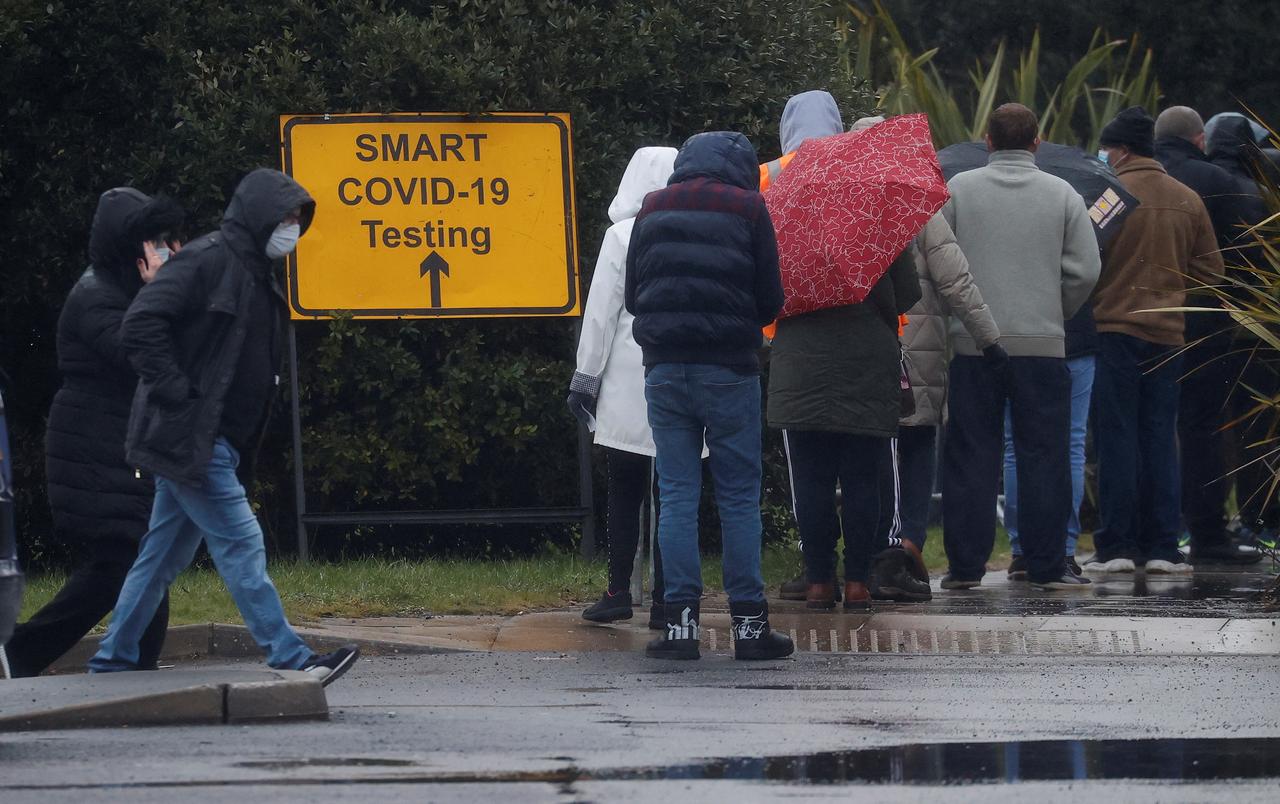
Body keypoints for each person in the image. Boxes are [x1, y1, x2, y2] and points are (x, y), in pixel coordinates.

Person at [89, 169, 358, 684]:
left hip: (206, 440)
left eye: (297, 218)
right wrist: (177, 393)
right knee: (241, 543)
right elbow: (141, 322)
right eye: (285, 216)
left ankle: (111, 660)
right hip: (193, 438)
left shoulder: (254, 273)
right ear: (259, 215)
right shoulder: (208, 259)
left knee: (160, 558)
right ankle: (293, 658)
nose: (292, 227)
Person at [625, 131, 792, 661]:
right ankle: (750, 630)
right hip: (729, 370)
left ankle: (680, 630)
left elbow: (633, 296)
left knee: (677, 494)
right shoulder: (748, 208)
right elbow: (770, 300)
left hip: (665, 369)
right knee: (738, 497)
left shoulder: (652, 207)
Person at [3, 188, 181, 678]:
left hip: (114, 448)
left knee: (137, 561)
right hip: (93, 452)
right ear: (127, 243)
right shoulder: (96, 296)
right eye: (150, 240)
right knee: (122, 565)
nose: (158, 250)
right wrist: (162, 291)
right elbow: (139, 354)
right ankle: (19, 656)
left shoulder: (121, 289)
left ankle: (137, 666)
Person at [765, 96, 926, 612]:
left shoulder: (776, 201)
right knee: (863, 477)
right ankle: (857, 582)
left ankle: (817, 581)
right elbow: (908, 294)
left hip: (798, 365)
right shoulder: (871, 200)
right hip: (867, 361)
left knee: (810, 479)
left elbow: (763, 291)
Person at [941, 102, 1100, 591]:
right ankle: (1046, 563)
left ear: (987, 141)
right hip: (1043, 345)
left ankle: (965, 566)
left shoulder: (957, 191)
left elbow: (940, 264)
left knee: (972, 455)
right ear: (1037, 142)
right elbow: (1086, 270)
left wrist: (960, 319)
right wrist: (1054, 311)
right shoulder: (1063, 194)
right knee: (1045, 455)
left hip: (973, 345)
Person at [1087, 106, 1224, 575]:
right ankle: (1164, 545)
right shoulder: (1187, 199)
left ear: (1123, 150)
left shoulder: (1110, 198)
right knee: (1161, 436)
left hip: (1114, 330)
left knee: (1117, 437)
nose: (1105, 156)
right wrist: (1174, 293)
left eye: (1108, 149)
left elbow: (1085, 258)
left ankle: (1117, 546)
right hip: (1168, 334)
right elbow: (1212, 272)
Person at [873, 118, 1003, 594]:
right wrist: (989, 340)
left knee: (872, 457)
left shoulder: (842, 210)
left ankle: (871, 550)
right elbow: (956, 281)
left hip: (865, 357)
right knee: (917, 449)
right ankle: (907, 543)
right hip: (920, 359)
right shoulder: (919, 208)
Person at [569, 147, 678, 629]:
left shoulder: (621, 235)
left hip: (626, 378)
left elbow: (601, 312)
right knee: (674, 492)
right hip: (676, 371)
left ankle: (617, 590)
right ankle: (668, 597)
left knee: (624, 487)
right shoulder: (689, 228)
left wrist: (585, 377)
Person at [1155, 106, 1263, 564]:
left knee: (1150, 428)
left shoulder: (1132, 178)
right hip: (1209, 326)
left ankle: (1151, 534)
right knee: (1204, 429)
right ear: (1198, 139)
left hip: (1140, 323)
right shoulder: (1220, 183)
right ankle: (1208, 532)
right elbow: (1240, 258)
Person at [1207, 114, 1280, 550]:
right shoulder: (1263, 195)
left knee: (1209, 427)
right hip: (1262, 330)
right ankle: (1260, 518)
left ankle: (1211, 519)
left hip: (1208, 327)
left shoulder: (1199, 188)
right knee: (1259, 428)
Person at [1002, 303, 1096, 579]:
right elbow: (1085, 278)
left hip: (1020, 336)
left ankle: (1021, 550)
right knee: (1072, 445)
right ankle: (1064, 549)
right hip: (1076, 334)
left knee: (1015, 444)